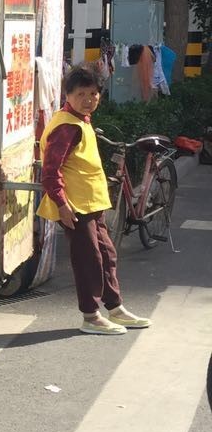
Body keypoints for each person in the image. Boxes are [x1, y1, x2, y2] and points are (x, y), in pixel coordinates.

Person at [38, 65, 151, 336]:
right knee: (88, 259)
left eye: (94, 93)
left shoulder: (80, 119)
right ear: (68, 95)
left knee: (107, 255)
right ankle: (90, 315)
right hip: (75, 207)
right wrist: (63, 206)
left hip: (90, 204)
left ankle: (115, 307)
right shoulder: (67, 127)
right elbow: (50, 172)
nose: (89, 99)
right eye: (81, 94)